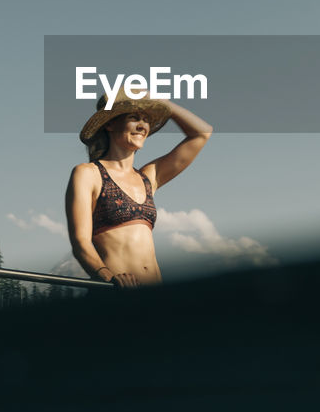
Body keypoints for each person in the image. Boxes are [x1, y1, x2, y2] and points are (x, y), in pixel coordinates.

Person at [65, 96, 212, 287]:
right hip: (117, 294)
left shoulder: (148, 177)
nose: (143, 126)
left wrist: (163, 103)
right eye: (134, 117)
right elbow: (80, 242)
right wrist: (108, 277)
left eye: (147, 120)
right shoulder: (88, 173)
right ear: (110, 124)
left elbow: (202, 133)